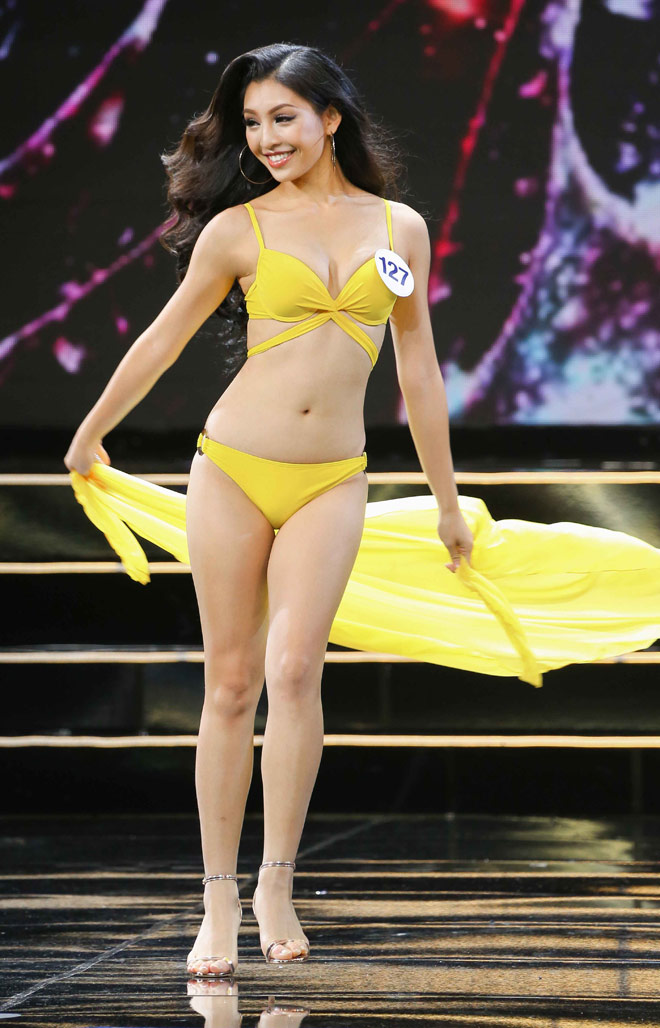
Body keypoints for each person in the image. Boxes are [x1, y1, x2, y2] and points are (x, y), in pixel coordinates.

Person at [64, 41, 474, 978]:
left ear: (330, 117)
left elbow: (419, 370)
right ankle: (215, 900)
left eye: (283, 117)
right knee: (231, 683)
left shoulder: (400, 228)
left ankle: (275, 885)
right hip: (232, 471)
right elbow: (162, 339)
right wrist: (89, 434)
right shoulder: (237, 230)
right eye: (251, 123)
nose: (265, 137)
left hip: (334, 478)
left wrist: (448, 502)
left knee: (295, 674)